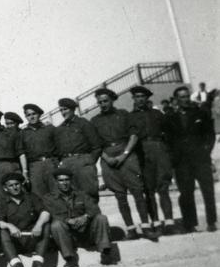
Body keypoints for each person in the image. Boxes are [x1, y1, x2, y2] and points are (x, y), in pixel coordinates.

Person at [91, 88, 158, 241]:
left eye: (105, 101)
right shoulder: (95, 121)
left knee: (137, 192)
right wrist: (106, 158)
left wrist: (125, 154)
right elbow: (94, 143)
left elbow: (134, 136)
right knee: (120, 196)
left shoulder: (123, 114)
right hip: (108, 156)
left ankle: (146, 227)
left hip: (126, 154)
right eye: (100, 102)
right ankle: (131, 229)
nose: (103, 104)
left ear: (112, 100)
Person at [164, 86, 217, 233]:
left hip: (201, 160)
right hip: (182, 162)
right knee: (186, 193)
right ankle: (190, 224)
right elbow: (167, 140)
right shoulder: (170, 117)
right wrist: (173, 157)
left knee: (208, 191)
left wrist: (206, 151)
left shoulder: (200, 113)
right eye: (182, 97)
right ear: (176, 100)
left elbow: (210, 135)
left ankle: (211, 222)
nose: (186, 99)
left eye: (187, 96)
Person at [43, 168, 116, 267]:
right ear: (56, 182)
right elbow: (52, 214)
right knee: (56, 224)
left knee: (101, 218)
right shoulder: (49, 198)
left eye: (67, 180)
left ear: (71, 181)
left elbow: (95, 209)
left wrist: (86, 216)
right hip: (68, 236)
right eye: (61, 180)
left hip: (86, 233)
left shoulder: (81, 194)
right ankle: (69, 259)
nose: (64, 183)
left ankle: (105, 253)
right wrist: (67, 220)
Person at [129, 86, 176, 235]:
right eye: (137, 96)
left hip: (159, 149)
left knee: (163, 186)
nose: (140, 99)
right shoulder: (130, 117)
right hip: (142, 151)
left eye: (142, 96)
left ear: (147, 98)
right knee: (148, 189)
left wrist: (166, 150)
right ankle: (155, 222)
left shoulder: (157, 114)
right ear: (133, 99)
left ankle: (169, 222)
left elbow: (169, 132)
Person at [0, 172, 51, 267]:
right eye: (10, 186)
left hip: (33, 237)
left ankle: (37, 263)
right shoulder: (2, 202)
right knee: (2, 231)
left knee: (46, 225)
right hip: (16, 240)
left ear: (21, 185)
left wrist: (38, 225)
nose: (15, 187)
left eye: (17, 184)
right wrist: (10, 226)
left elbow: (45, 213)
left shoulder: (31, 197)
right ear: (5, 188)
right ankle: (17, 266)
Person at [54, 98, 102, 202]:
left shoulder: (83, 123)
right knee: (73, 196)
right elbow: (57, 150)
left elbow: (96, 146)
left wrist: (89, 162)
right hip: (67, 163)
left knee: (90, 194)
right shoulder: (59, 129)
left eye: (65, 109)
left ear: (73, 109)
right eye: (61, 110)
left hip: (83, 161)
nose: (63, 113)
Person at [21, 103, 58, 197]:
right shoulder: (23, 133)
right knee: (38, 196)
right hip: (34, 167)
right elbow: (22, 153)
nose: (32, 117)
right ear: (26, 117)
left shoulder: (49, 128)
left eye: (34, 114)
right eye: (28, 115)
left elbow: (59, 146)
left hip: (50, 163)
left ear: (39, 114)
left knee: (56, 193)